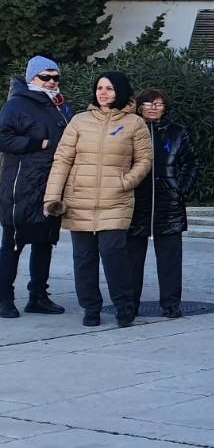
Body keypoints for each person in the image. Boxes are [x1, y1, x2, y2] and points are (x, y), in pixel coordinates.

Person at [43, 71, 153, 328]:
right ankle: (90, 308)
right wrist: (52, 198)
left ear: (121, 92)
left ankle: (124, 307)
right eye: (100, 88)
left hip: (115, 201)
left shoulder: (135, 124)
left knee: (114, 255)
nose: (103, 93)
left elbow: (145, 160)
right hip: (78, 200)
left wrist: (125, 182)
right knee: (84, 259)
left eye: (110, 88)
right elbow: (62, 160)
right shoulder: (79, 121)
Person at [0, 57, 73, 319]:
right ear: (32, 77)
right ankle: (4, 298)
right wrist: (35, 144)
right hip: (21, 185)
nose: (52, 82)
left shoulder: (61, 106)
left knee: (44, 242)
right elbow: (3, 136)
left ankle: (38, 296)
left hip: (51, 184)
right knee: (13, 243)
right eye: (46, 77)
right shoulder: (17, 104)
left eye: (56, 77)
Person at [127, 89, 199, 319]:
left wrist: (180, 187)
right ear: (139, 106)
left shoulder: (177, 132)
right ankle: (129, 304)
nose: (153, 107)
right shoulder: (130, 131)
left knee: (170, 258)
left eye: (158, 103)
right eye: (148, 103)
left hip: (169, 204)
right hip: (137, 202)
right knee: (132, 259)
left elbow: (191, 161)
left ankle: (171, 303)